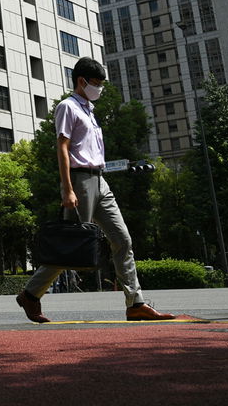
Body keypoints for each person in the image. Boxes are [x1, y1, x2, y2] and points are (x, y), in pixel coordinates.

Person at [16, 57, 175, 323]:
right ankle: (31, 295)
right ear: (81, 81)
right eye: (96, 83)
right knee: (71, 246)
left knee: (122, 239)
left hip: (101, 180)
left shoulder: (89, 109)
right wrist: (68, 189)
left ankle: (135, 303)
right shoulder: (67, 107)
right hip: (80, 182)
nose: (99, 88)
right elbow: (62, 148)